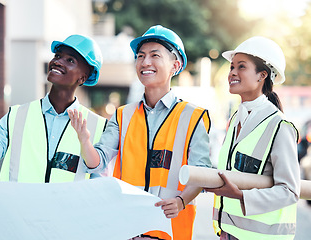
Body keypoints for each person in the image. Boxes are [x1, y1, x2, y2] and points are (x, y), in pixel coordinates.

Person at [69, 25, 211, 240]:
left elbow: (201, 173)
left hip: (170, 230)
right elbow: (97, 162)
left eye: (155, 55)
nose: (145, 62)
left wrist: (181, 201)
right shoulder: (122, 115)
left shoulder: (193, 117)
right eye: (140, 56)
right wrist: (85, 141)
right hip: (128, 229)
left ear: (176, 64)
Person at [0, 34, 107, 191]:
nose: (57, 62)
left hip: (66, 215)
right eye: (57, 56)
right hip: (17, 213)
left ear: (83, 77)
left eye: (70, 60)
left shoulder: (98, 127)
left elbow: (98, 185)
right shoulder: (16, 116)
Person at [204, 36, 300, 240]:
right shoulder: (236, 119)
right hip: (229, 234)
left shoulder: (280, 127)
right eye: (231, 67)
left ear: (262, 75)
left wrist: (240, 196)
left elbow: (289, 191)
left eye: (241, 67)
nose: (232, 73)